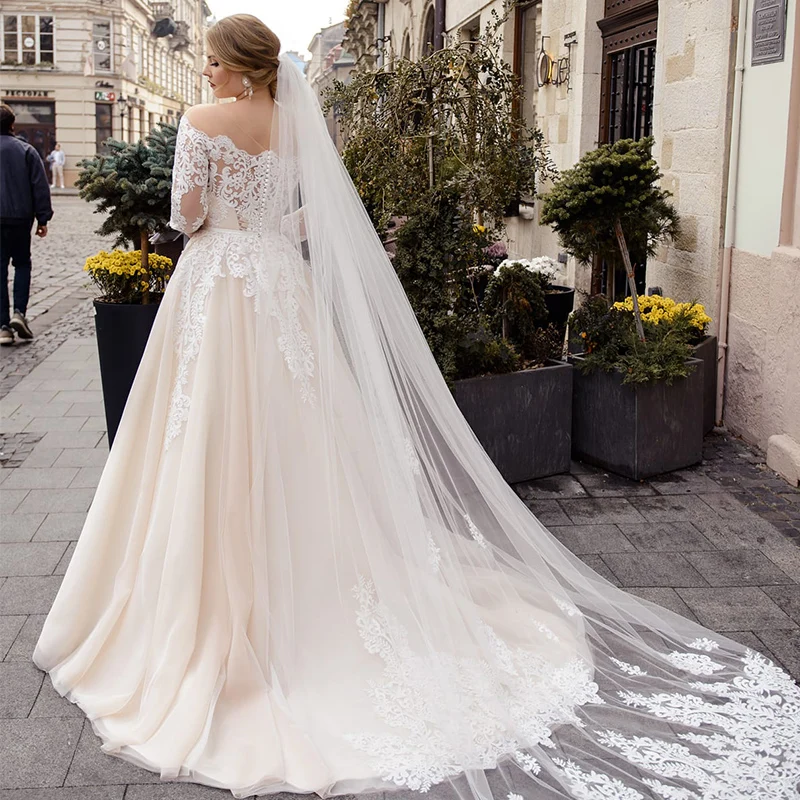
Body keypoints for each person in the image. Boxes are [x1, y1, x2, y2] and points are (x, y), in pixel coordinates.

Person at [32, 15, 799, 800]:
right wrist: (264, 227)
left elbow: (185, 216)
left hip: (217, 287)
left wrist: (223, 222)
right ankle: (316, 580)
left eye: (212, 61)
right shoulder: (296, 125)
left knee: (204, 431)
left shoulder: (199, 123)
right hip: (277, 291)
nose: (205, 74)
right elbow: (306, 220)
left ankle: (211, 601)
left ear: (238, 65)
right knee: (303, 428)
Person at [0, 103, 51, 346]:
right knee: (21, 264)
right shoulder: (26, 150)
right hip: (20, 219)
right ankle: (19, 313)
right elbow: (39, 186)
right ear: (12, 125)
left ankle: (2, 327)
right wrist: (43, 218)